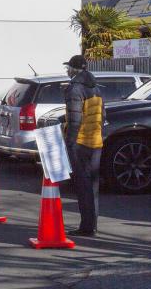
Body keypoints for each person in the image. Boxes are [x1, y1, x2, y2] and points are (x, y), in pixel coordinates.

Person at [63, 54, 104, 237]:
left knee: (82, 185)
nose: (67, 70)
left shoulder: (75, 89)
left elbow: (74, 120)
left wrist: (69, 142)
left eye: (69, 67)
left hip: (80, 143)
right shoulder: (95, 87)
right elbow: (103, 115)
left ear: (74, 69)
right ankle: (92, 224)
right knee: (92, 185)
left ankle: (86, 227)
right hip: (96, 141)